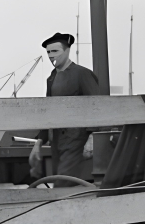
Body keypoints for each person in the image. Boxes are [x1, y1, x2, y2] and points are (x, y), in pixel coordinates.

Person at [29, 33, 100, 183]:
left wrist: (92, 137)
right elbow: (49, 110)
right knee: (58, 179)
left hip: (77, 139)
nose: (51, 55)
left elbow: (96, 105)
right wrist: (39, 142)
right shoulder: (51, 78)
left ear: (67, 51)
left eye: (55, 51)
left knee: (63, 182)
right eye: (48, 52)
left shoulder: (82, 74)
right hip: (56, 140)